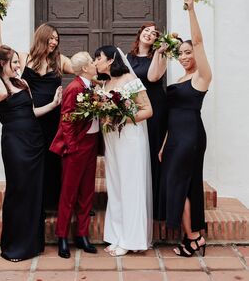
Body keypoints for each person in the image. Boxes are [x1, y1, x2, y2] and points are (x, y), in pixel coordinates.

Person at [0, 45, 62, 261]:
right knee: (18, 189)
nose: (18, 66)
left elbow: (31, 111)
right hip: (14, 143)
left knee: (35, 190)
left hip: (35, 141)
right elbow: (2, 93)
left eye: (18, 61)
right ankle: (14, 246)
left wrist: (52, 105)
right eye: (14, 62)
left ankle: (33, 244)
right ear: (2, 64)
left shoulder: (23, 83)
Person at [0, 9, 73, 210]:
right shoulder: (24, 58)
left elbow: (81, 68)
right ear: (41, 38)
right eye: (51, 38)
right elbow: (0, 52)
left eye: (56, 39)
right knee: (34, 162)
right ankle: (35, 204)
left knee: (52, 159)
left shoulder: (60, 61)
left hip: (53, 117)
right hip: (32, 118)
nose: (54, 42)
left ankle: (51, 202)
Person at [158, 0, 212, 257]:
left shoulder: (202, 77)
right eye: (180, 53)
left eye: (188, 52)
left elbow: (199, 41)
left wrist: (191, 9)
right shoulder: (180, 77)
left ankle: (192, 238)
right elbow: (171, 115)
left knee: (178, 183)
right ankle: (194, 237)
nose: (183, 57)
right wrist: (165, 143)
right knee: (184, 184)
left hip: (190, 136)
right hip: (176, 138)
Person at [94, 45, 153, 256]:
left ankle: (131, 239)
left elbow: (147, 110)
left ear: (110, 60)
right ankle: (117, 234)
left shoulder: (130, 80)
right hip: (112, 139)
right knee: (116, 186)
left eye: (98, 58)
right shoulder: (106, 83)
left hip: (129, 138)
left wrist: (120, 118)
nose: (95, 62)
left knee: (130, 186)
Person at [50, 52, 99, 258]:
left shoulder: (93, 87)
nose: (95, 64)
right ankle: (62, 237)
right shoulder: (74, 88)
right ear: (85, 69)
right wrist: (71, 147)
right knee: (69, 193)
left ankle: (82, 235)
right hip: (76, 146)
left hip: (92, 143)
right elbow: (67, 120)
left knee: (87, 192)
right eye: (92, 62)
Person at [127, 22, 168, 219]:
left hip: (155, 108)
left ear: (156, 40)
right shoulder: (128, 58)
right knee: (137, 151)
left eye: (154, 33)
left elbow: (152, 77)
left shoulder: (159, 57)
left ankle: (155, 204)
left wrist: (160, 52)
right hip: (135, 109)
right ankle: (138, 198)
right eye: (146, 31)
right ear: (140, 33)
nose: (149, 34)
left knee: (152, 150)